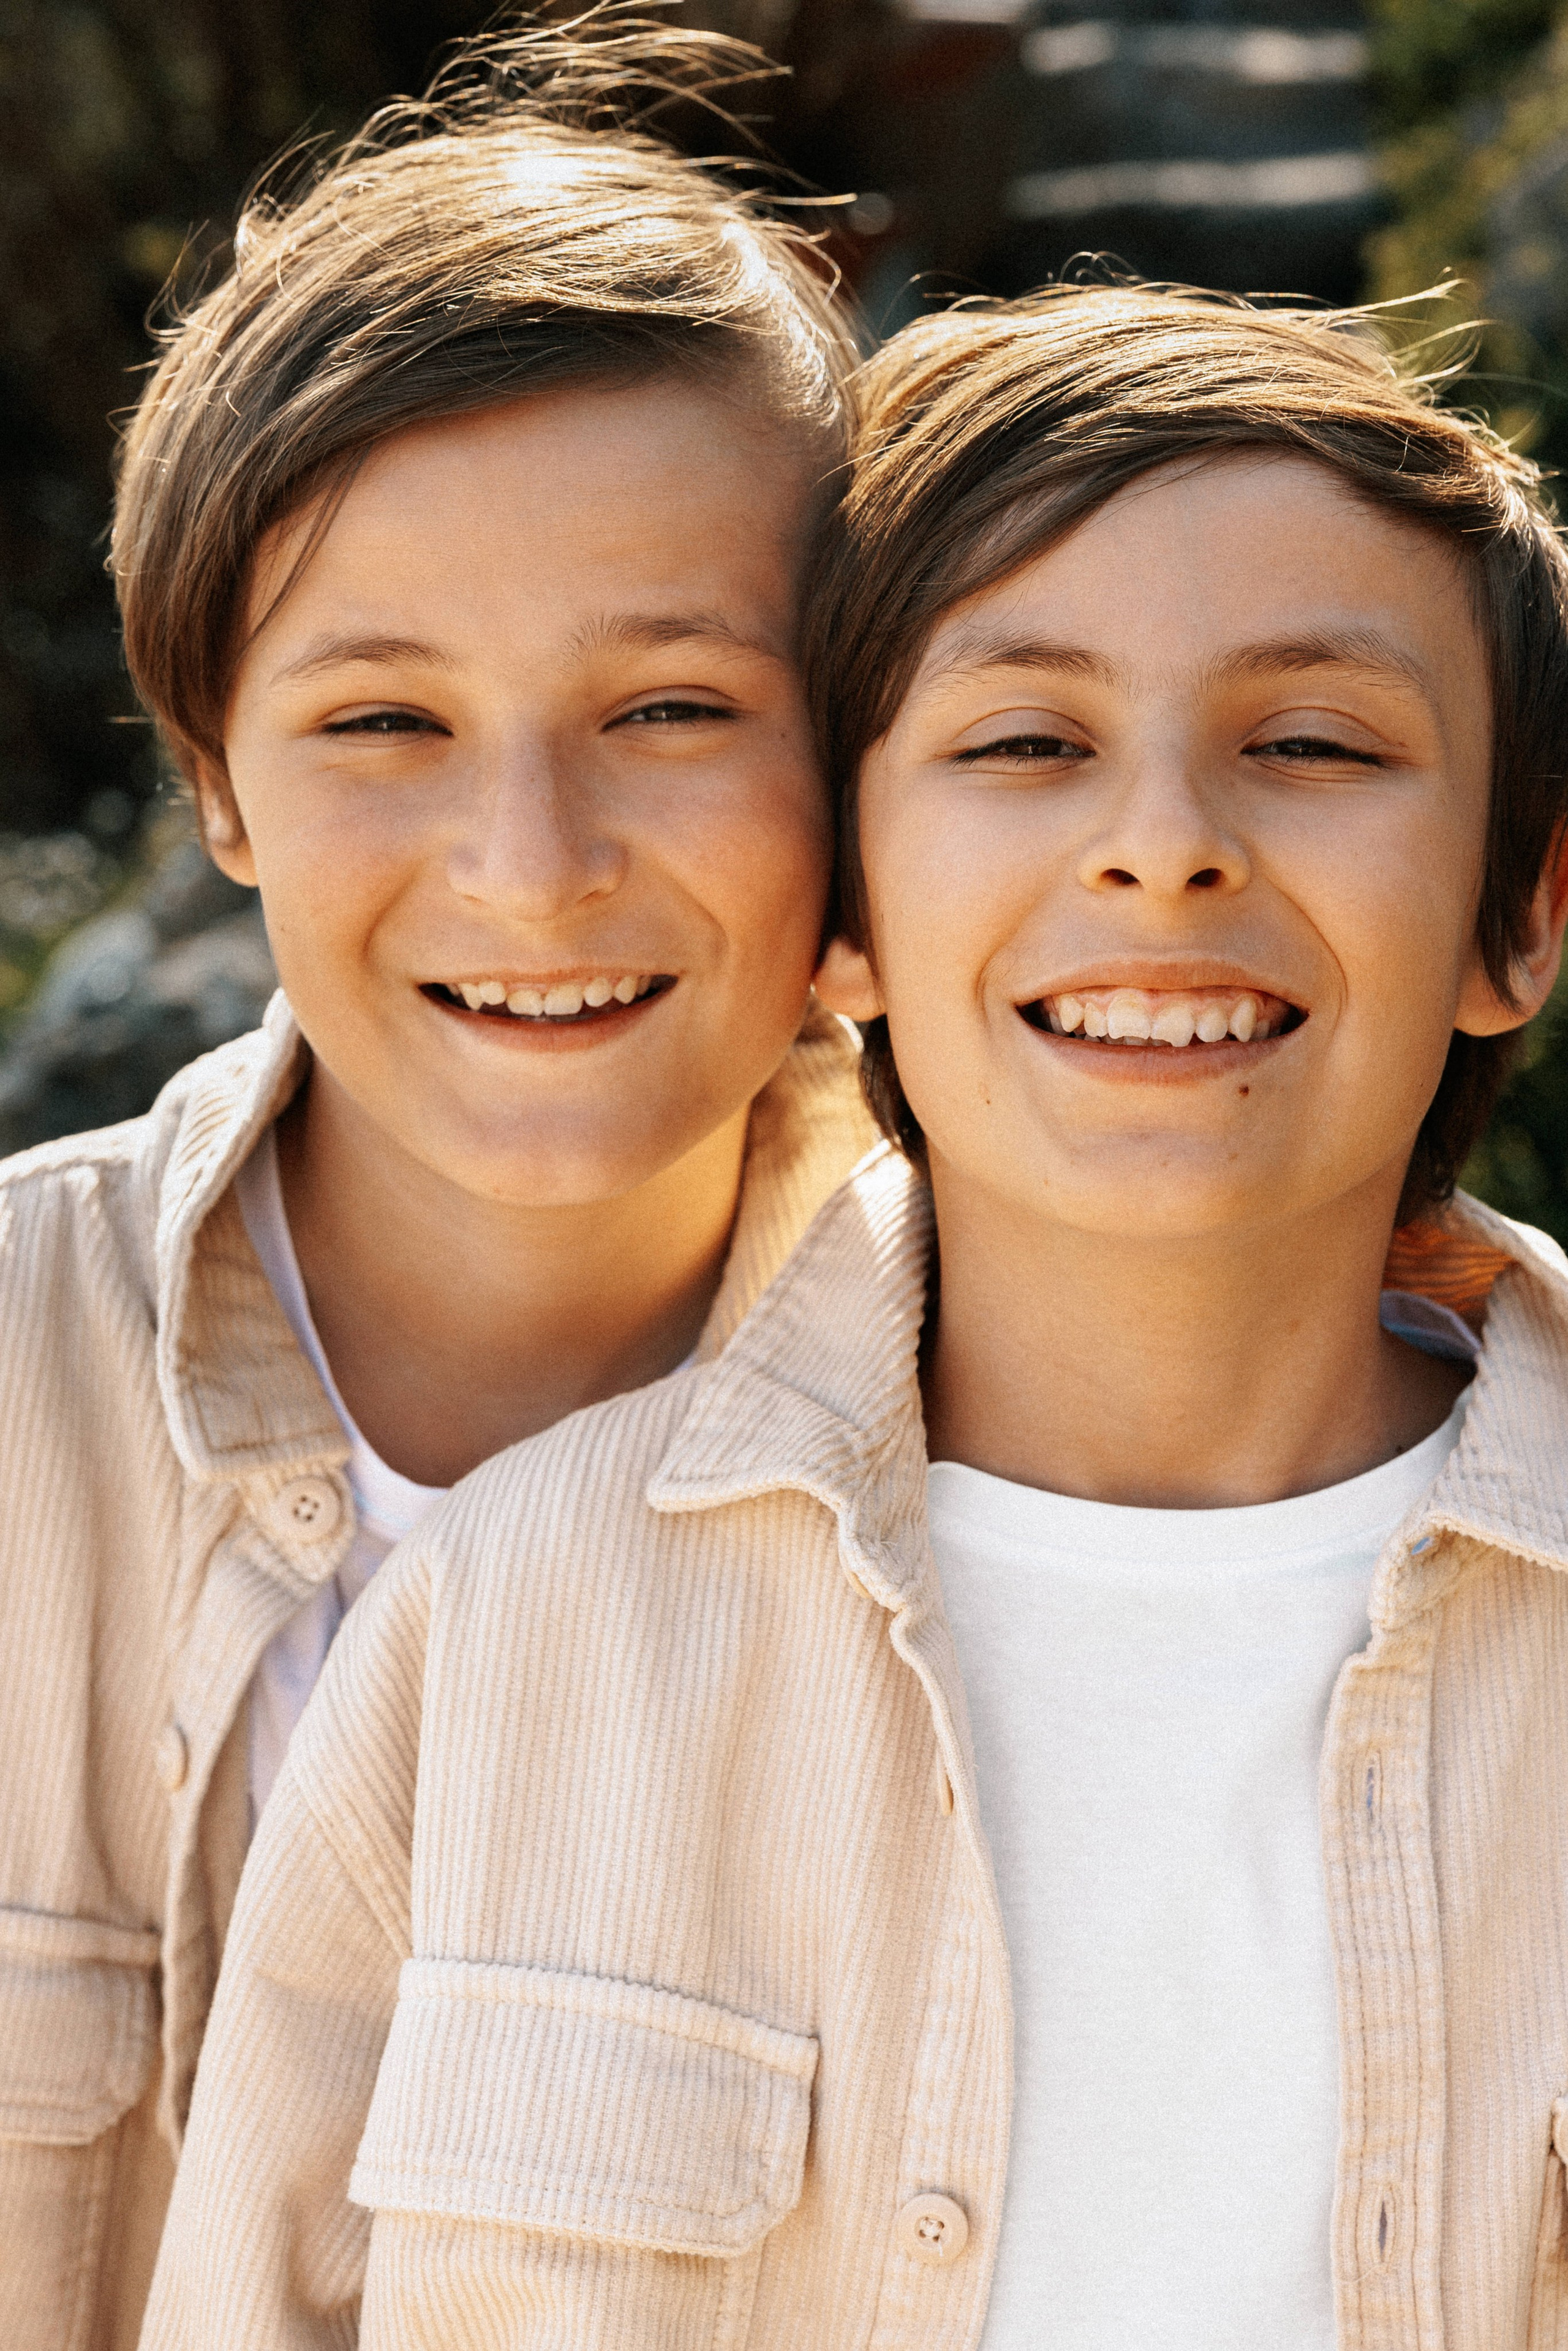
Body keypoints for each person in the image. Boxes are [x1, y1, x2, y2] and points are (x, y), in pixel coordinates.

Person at [141, 287, 1568, 2350]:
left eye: (1313, 743)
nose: (1163, 843)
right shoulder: (513, 1622)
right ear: (851, 916)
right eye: (1025, 743)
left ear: (1518, 908)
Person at [0, 17, 873, 2345]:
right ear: (213, 783)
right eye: (383, 721)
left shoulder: (1017, 1463)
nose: (532, 866)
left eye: (675, 707)